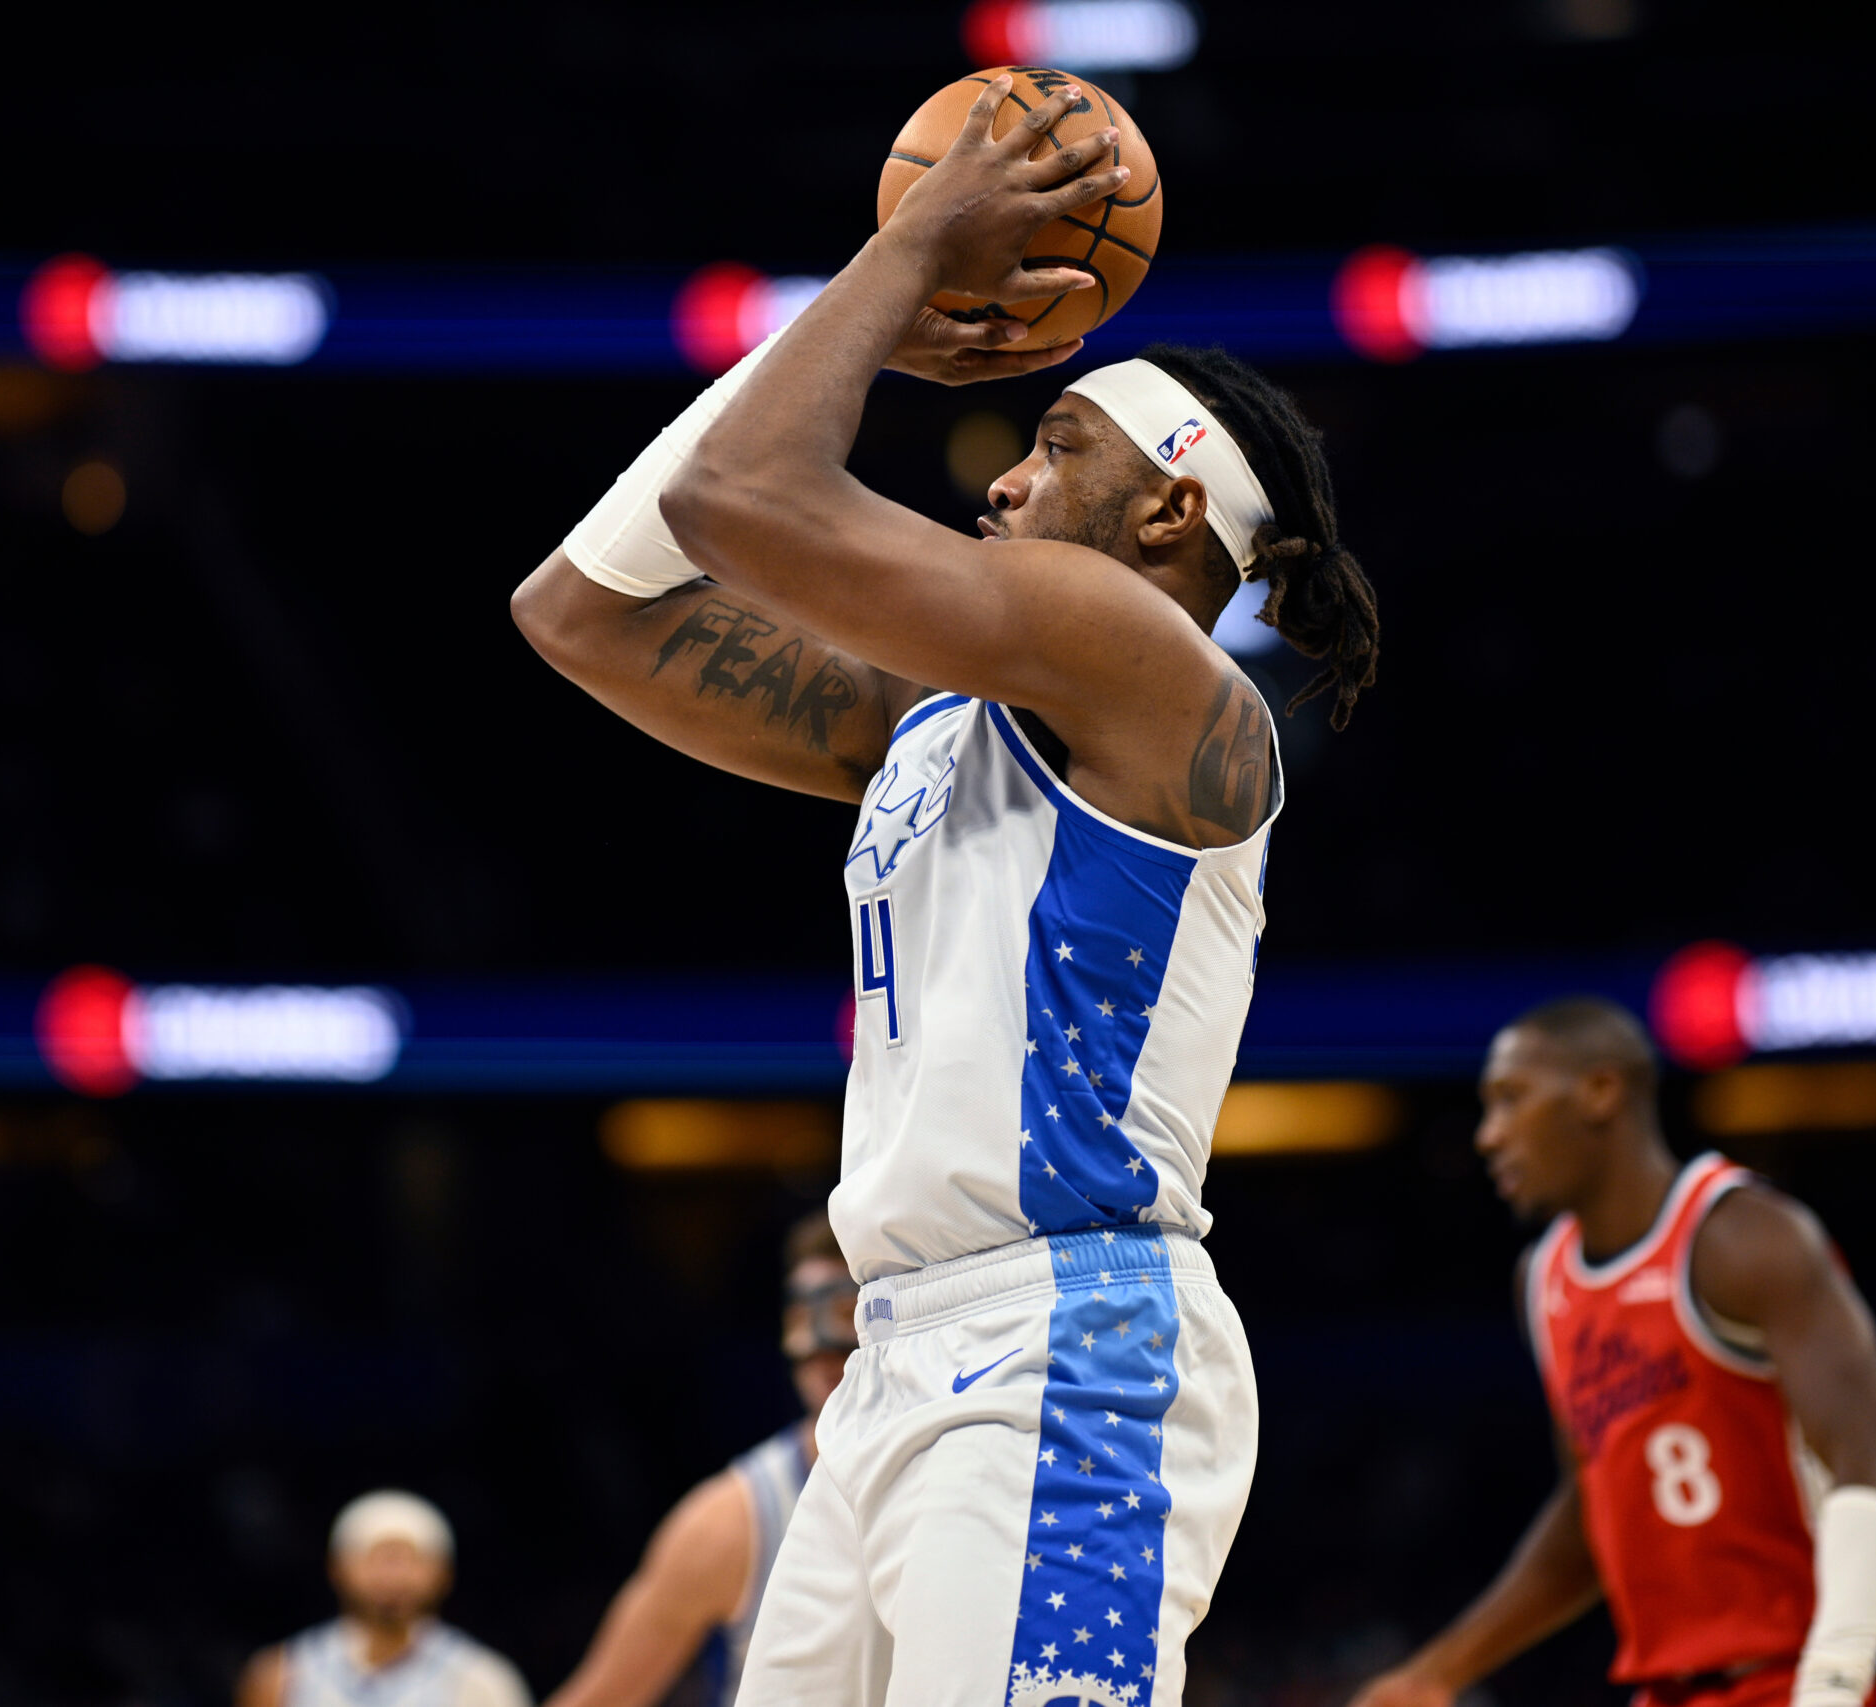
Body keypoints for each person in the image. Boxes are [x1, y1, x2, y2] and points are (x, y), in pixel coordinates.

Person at [510, 75, 1379, 1707]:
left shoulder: (1159, 676)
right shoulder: (931, 718)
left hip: (1065, 1351)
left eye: (1054, 446)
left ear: (1172, 507)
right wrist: (864, 309)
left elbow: (737, 507)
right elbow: (581, 609)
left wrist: (900, 264)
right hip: (899, 1363)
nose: (1000, 477)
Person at [1348, 998, 1876, 1707]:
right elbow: (1594, 1511)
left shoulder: (1743, 1237)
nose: (1488, 1136)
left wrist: (1832, 1678)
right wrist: (1437, 1671)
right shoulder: (1544, 1283)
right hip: (1674, 1687)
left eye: (1511, 1100)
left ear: (1601, 1091)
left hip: (1829, 1663)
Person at [541, 1214, 856, 1707]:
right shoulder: (730, 1522)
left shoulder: (970, 1476)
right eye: (802, 1318)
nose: (820, 1348)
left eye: (845, 1312)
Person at [239, 1490, 531, 1707]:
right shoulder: (282, 1674)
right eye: (376, 1558)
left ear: (443, 1574)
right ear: (337, 1569)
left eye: (410, 1559)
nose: (393, 1576)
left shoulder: (483, 1678)